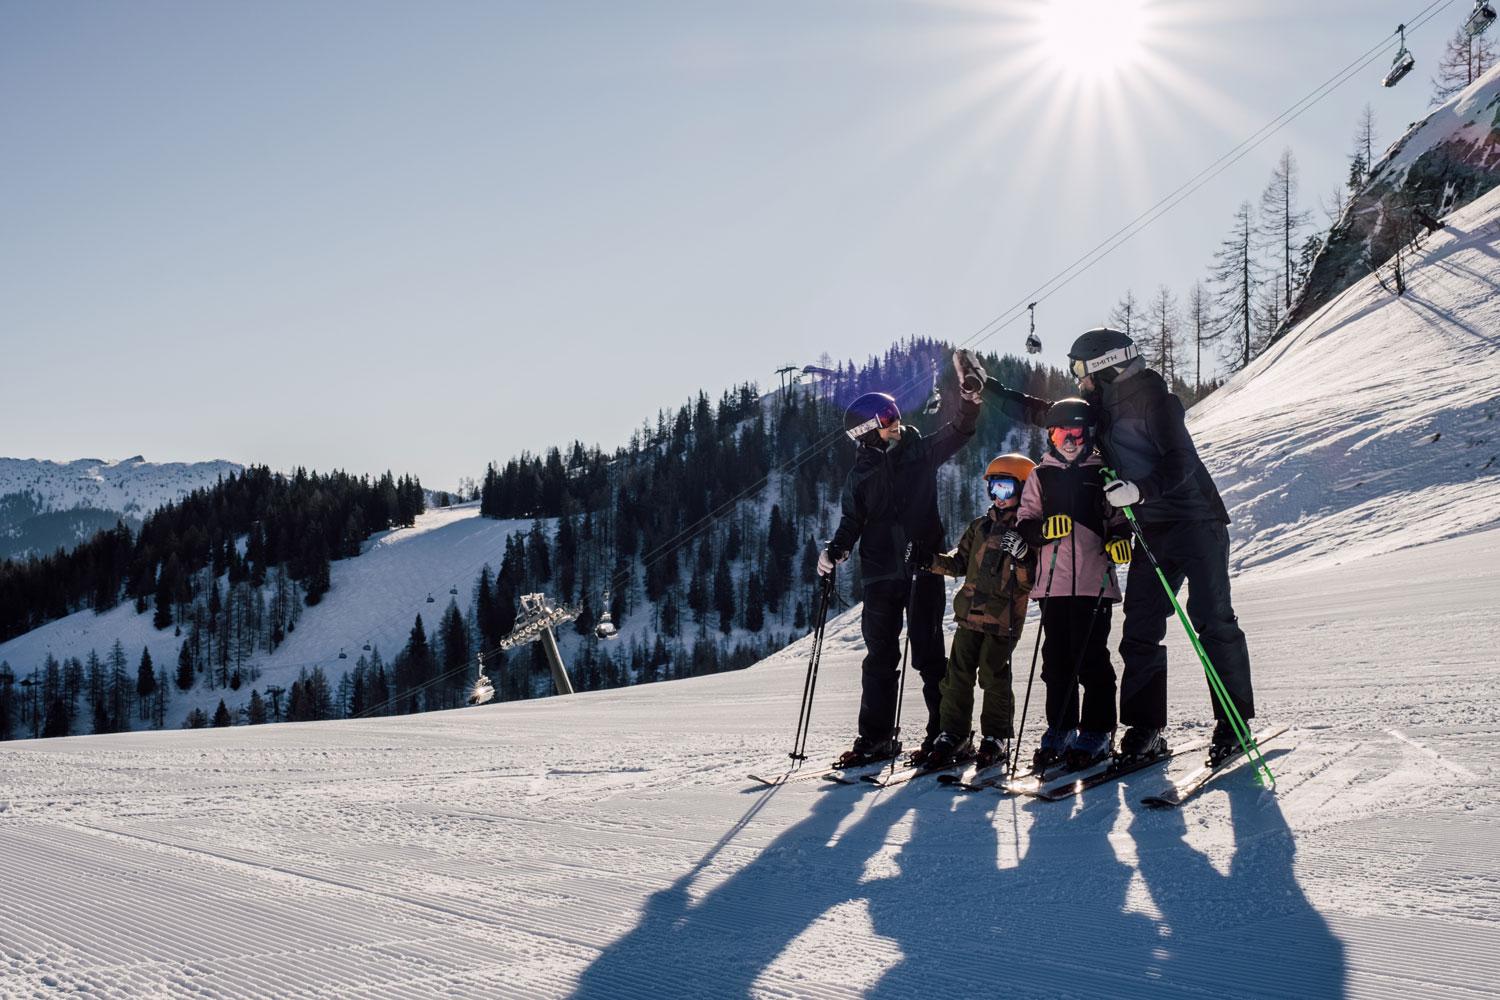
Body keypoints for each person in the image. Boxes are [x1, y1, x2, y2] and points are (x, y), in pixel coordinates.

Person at [988, 328, 1255, 766]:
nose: (1077, 379)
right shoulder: (1099, 408)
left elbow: (1181, 461)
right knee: (1140, 628)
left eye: (1079, 369)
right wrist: (993, 391)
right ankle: (1145, 726)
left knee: (1213, 620)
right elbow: (1046, 414)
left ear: (1102, 367)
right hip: (1153, 528)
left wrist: (1141, 490)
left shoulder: (1157, 401)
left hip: (1195, 521)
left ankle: (1234, 724)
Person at [819, 352, 984, 768]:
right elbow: (852, 521)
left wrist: (970, 400)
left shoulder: (920, 452)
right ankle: (876, 738)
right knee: (879, 657)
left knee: (928, 654)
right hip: (879, 575)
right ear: (868, 432)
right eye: (887, 419)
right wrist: (835, 550)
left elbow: (960, 431)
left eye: (895, 414)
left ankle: (948, 734)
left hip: (921, 567)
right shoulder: (861, 476)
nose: (896, 422)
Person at [1015, 398, 1131, 772]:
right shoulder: (1040, 475)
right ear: (1050, 435)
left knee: (1092, 658)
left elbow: (1118, 518)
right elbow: (1025, 521)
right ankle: (1061, 728)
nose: (1069, 439)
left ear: (1087, 434)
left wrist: (1119, 539)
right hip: (1052, 585)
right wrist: (1042, 531)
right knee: (1057, 661)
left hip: (1093, 582)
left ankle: (1097, 730)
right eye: (1062, 432)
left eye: (1076, 432)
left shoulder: (1102, 473)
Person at [922, 453, 1036, 770]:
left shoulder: (1027, 532)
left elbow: (1031, 584)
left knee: (993, 677)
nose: (998, 498)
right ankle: (953, 734)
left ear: (1024, 490)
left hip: (1003, 621)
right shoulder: (979, 528)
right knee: (956, 677)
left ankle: (995, 737)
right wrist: (928, 560)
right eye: (993, 490)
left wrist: (1024, 555)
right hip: (969, 616)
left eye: (1006, 489)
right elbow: (959, 564)